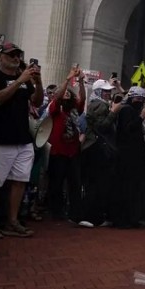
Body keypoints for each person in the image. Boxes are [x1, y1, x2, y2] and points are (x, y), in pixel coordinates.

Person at [0, 41, 43, 238]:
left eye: (18, 55)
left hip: (22, 139)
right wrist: (19, 81)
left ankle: (12, 221)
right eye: (11, 55)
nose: (16, 58)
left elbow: (37, 101)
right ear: (1, 57)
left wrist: (37, 82)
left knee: (20, 181)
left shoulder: (25, 80)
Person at [46, 67, 86, 223]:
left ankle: (75, 212)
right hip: (58, 151)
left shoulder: (75, 109)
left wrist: (81, 81)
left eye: (69, 93)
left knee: (75, 183)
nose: (67, 94)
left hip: (73, 151)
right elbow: (57, 97)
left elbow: (82, 98)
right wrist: (67, 79)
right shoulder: (56, 108)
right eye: (65, 93)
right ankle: (56, 211)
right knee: (56, 183)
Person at [112, 86, 145, 228]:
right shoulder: (126, 110)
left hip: (138, 157)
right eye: (137, 98)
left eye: (142, 99)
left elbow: (140, 135)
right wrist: (141, 117)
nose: (139, 101)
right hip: (127, 157)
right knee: (127, 188)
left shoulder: (137, 113)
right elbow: (127, 130)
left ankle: (137, 217)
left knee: (138, 188)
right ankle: (125, 218)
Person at [81, 79, 119, 227]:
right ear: (98, 92)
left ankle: (93, 215)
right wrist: (113, 113)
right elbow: (101, 126)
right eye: (105, 91)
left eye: (109, 91)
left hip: (96, 147)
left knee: (96, 183)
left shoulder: (98, 104)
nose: (109, 94)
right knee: (97, 183)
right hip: (97, 148)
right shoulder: (100, 105)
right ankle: (91, 216)